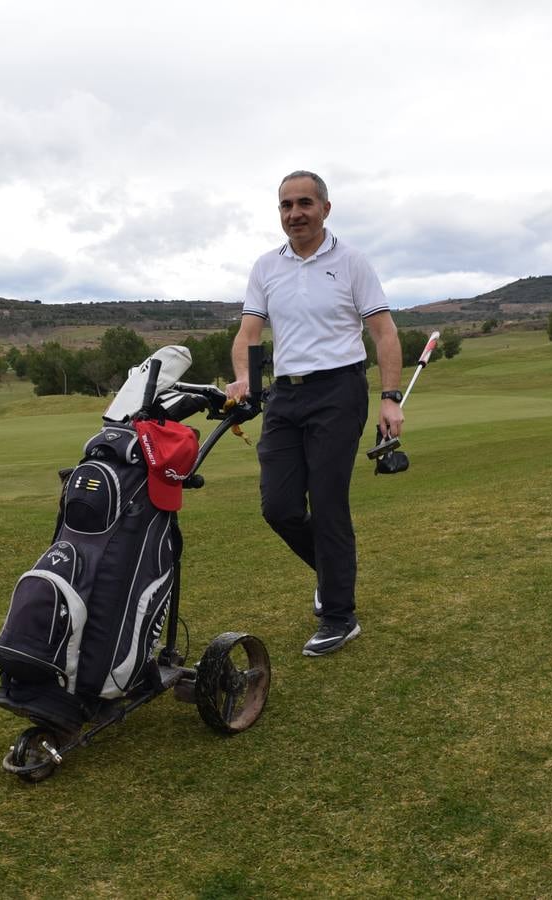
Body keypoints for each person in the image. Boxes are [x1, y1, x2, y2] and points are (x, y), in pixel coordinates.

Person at [226, 170, 404, 656]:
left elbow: (384, 333)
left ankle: (339, 615)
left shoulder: (351, 263)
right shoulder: (266, 266)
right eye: (286, 205)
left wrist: (390, 397)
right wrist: (244, 377)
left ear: (326, 208)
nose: (294, 213)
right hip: (284, 396)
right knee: (278, 507)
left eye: (305, 203)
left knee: (327, 504)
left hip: (339, 391)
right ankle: (333, 575)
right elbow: (248, 334)